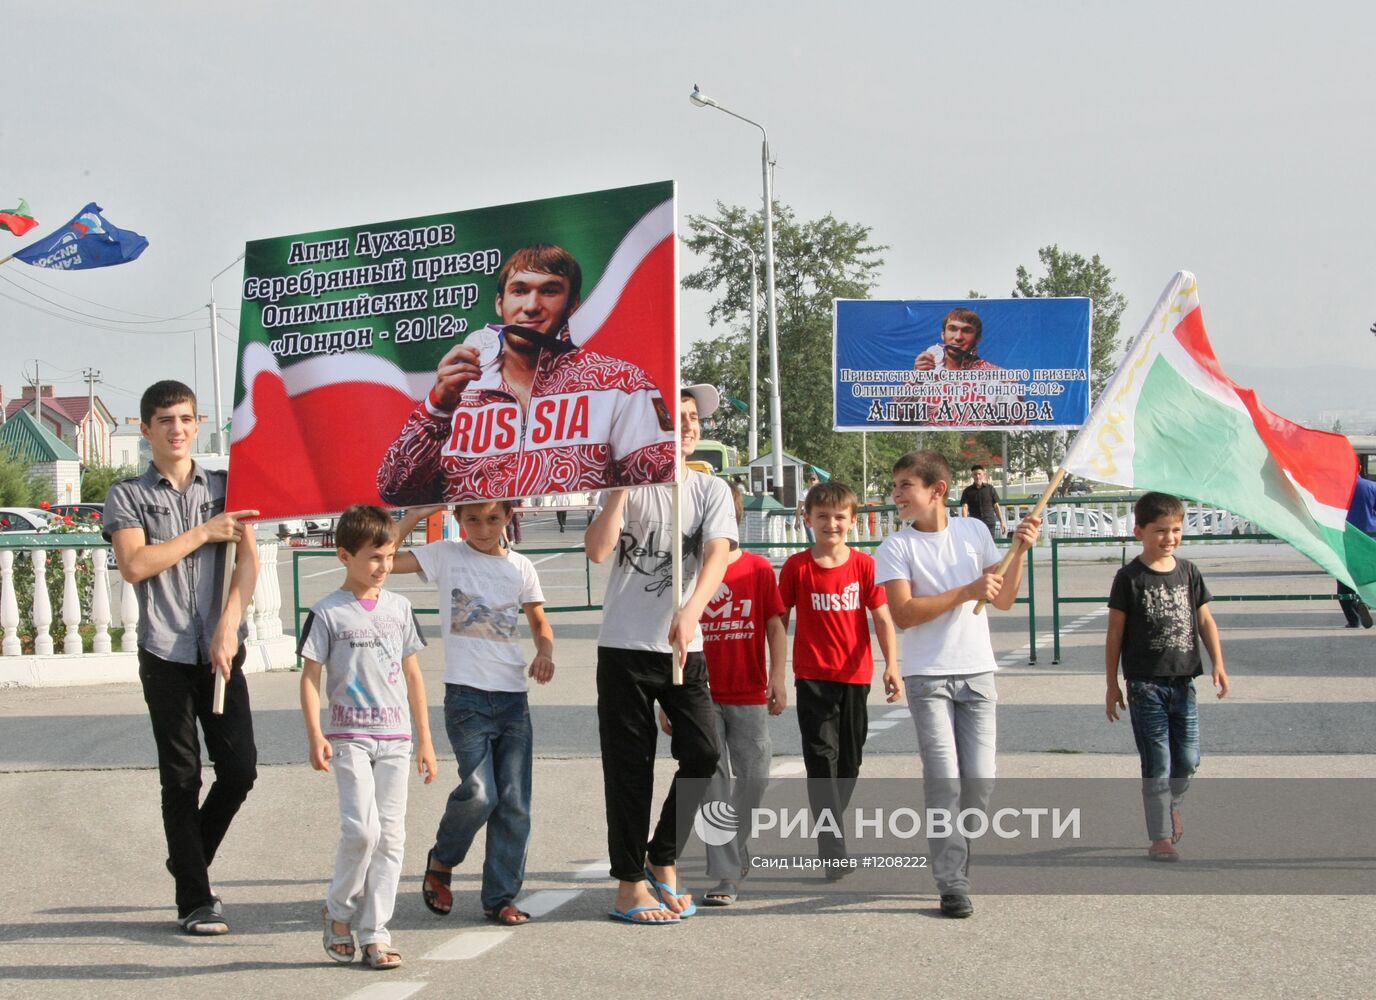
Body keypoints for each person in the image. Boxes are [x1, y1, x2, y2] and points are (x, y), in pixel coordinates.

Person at [103, 380, 260, 936]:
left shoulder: (226, 486)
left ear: (200, 424)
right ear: (145, 430)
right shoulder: (129, 495)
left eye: (186, 418)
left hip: (219, 650)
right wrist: (204, 532)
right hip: (164, 651)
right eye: (165, 420)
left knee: (240, 770)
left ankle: (186, 858)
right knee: (181, 776)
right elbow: (136, 565)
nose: (177, 429)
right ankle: (195, 897)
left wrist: (229, 626)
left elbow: (247, 564)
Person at [584, 384, 736, 924]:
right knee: (630, 769)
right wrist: (622, 487)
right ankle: (629, 884)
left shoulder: (709, 490)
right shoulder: (630, 486)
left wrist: (693, 608)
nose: (688, 427)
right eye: (678, 418)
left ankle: (662, 853)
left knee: (703, 753)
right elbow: (599, 550)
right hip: (624, 648)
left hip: (682, 648)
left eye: (694, 419)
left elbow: (717, 555)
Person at [377, 244, 676, 504]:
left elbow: (662, 487)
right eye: (519, 291)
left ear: (573, 304)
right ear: (499, 304)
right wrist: (437, 408)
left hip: (577, 558)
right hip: (474, 562)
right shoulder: (460, 389)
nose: (531, 307)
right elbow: (394, 491)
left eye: (549, 291)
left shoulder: (621, 384)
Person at [874, 450, 1040, 918]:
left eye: (906, 485)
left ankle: (956, 852)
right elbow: (904, 615)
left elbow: (1002, 598)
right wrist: (965, 591)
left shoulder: (975, 532)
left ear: (937, 490)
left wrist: (1021, 552)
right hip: (927, 677)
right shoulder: (896, 548)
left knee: (980, 781)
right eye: (896, 485)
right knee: (944, 781)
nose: (897, 495)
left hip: (978, 672)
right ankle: (952, 882)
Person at [390, 499, 555, 926]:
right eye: (473, 519)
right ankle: (442, 859)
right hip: (465, 698)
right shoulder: (446, 555)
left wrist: (545, 652)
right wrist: (417, 515)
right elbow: (382, 560)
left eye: (494, 518)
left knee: (514, 803)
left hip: (512, 699)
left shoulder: (521, 567)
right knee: (481, 793)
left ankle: (499, 898)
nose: (483, 528)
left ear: (508, 519)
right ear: (458, 519)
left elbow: (539, 621)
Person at [298, 504, 437, 969]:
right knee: (363, 830)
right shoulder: (327, 613)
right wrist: (316, 732)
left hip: (396, 739)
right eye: (374, 557)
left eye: (390, 556)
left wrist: (426, 741)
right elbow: (310, 677)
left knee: (392, 837)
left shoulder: (401, 608)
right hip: (348, 737)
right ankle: (339, 914)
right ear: (344, 556)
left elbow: (413, 676)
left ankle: (375, 932)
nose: (383, 567)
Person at [663, 487, 787, 906]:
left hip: (749, 691)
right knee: (713, 782)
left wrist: (778, 676)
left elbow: (775, 627)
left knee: (755, 777)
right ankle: (726, 875)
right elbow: (665, 637)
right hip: (700, 693)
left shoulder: (757, 569)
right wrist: (667, 697)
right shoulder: (682, 573)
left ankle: (736, 845)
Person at [779, 480, 902, 876]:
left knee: (849, 761)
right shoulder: (796, 567)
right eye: (822, 517)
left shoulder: (865, 566)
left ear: (852, 520)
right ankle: (832, 849)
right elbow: (778, 620)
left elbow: (882, 618)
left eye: (838, 517)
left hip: (855, 677)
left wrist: (892, 666)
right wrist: (774, 674)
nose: (831, 524)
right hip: (812, 676)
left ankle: (829, 819)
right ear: (808, 519)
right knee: (820, 761)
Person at [1105, 491, 1229, 862]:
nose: (1169, 538)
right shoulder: (1128, 578)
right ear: (1139, 530)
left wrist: (1218, 663)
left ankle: (1172, 801)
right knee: (1157, 761)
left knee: (1188, 760)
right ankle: (1160, 836)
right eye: (1160, 531)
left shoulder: (1189, 572)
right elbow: (1114, 633)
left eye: (1176, 530)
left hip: (1182, 682)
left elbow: (1205, 620)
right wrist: (1112, 684)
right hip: (1145, 684)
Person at [1338, 474, 1374, 628]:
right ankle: (1366, 600)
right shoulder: (1372, 487)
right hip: (1370, 539)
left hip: (1347, 539)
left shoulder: (1337, 489)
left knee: (1345, 578)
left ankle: (1353, 619)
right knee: (1370, 576)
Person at [959, 465, 1006, 539]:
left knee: (990, 547)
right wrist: (966, 524)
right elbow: (965, 507)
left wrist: (1002, 522)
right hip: (975, 524)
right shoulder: (967, 491)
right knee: (977, 547)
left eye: (979, 474)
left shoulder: (990, 489)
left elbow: (996, 506)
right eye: (975, 474)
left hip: (989, 523)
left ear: (984, 475)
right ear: (972, 476)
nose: (977, 476)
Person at [794, 471, 820, 541]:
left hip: (819, 519)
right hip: (808, 519)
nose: (812, 481)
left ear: (817, 481)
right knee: (812, 540)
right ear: (808, 481)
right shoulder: (804, 493)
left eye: (814, 479)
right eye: (810, 479)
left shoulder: (821, 492)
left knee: (820, 541)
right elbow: (799, 508)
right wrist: (797, 521)